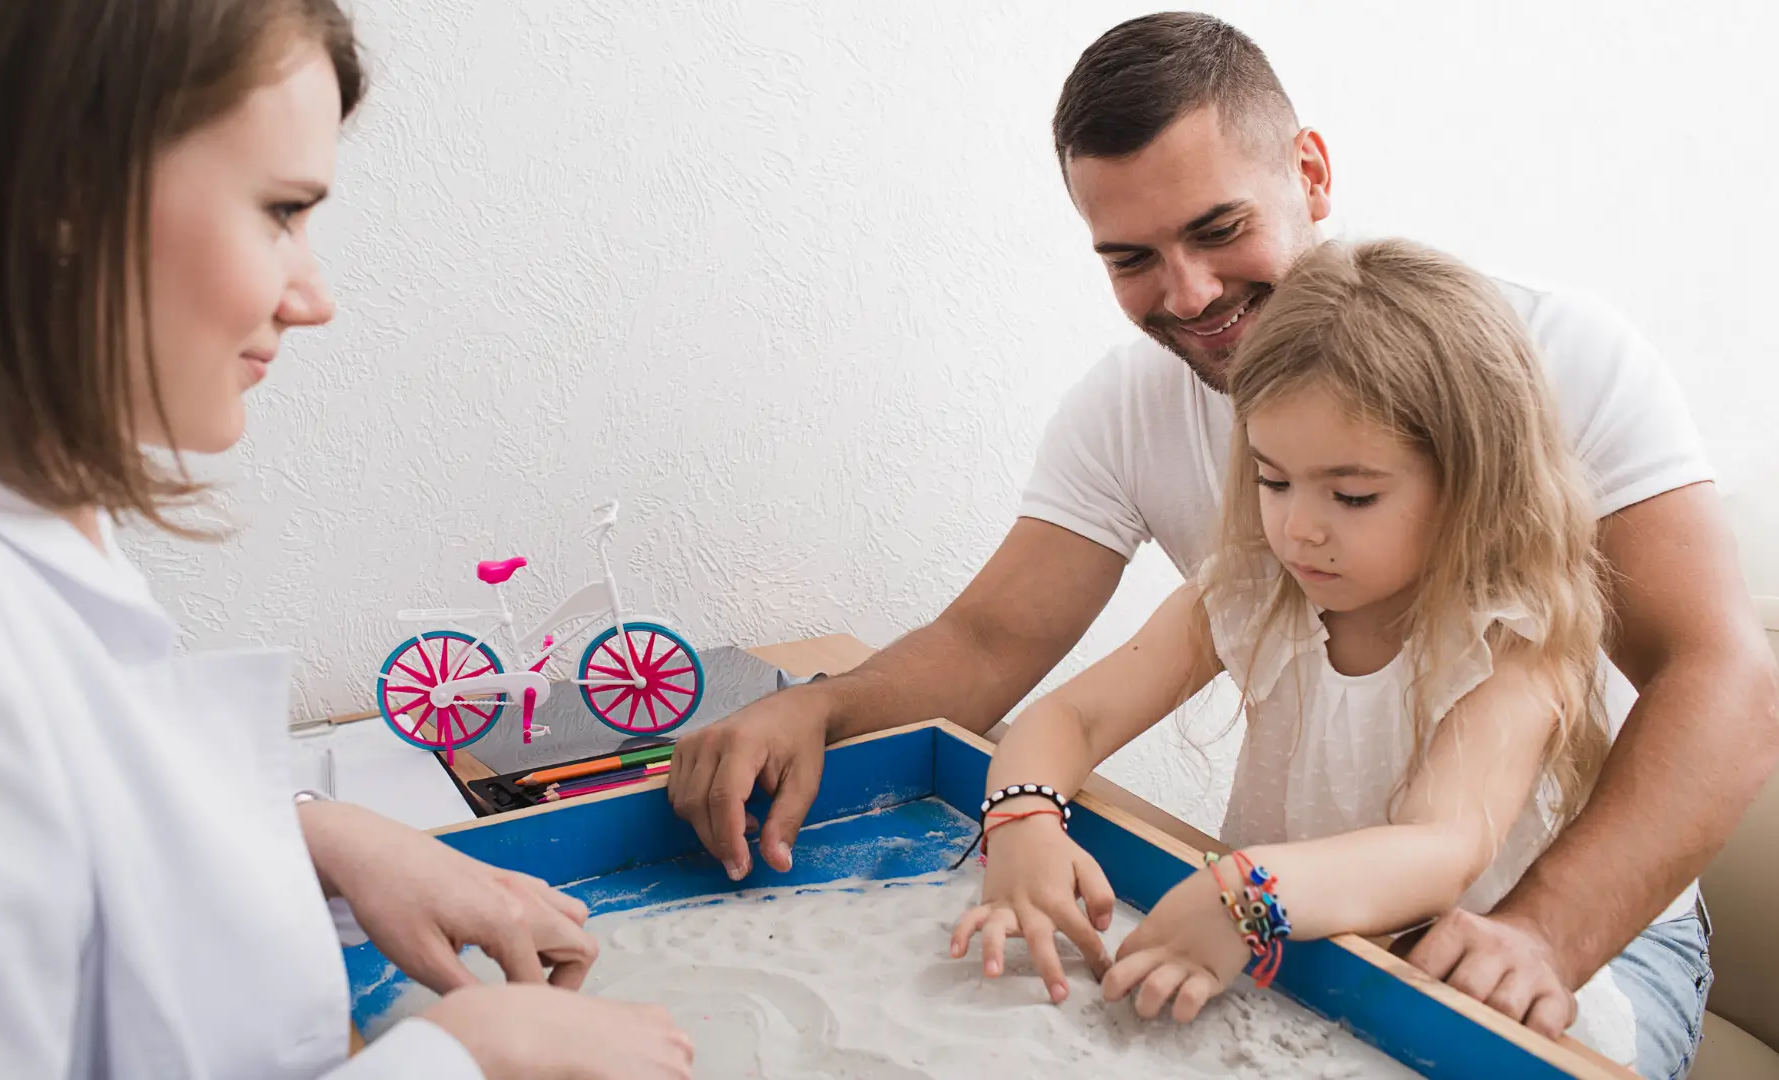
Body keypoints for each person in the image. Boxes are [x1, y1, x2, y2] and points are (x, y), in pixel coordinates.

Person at [670, 11, 1777, 1076]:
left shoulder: (1539, 384)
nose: (1188, 293)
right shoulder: (1242, 564)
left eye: (1216, 229)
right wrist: (844, 717)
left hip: (1559, 935)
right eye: (1131, 257)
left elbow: (1718, 681)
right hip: (1313, 924)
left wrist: (1530, 935)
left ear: (1310, 172)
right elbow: (1000, 643)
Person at [0, 2, 692, 1078]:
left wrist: (311, 839)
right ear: (57, 196)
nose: (315, 298)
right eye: (280, 212)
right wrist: (465, 1059)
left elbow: (62, 835)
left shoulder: (11, 519)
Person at [948, 237, 1645, 1066]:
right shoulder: (1253, 589)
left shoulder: (1511, 639)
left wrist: (1242, 894)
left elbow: (1439, 850)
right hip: (1292, 973)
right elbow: (1072, 716)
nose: (1299, 528)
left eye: (1352, 494)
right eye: (1274, 481)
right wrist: (1024, 816)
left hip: (1466, 1019)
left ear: (1472, 482)